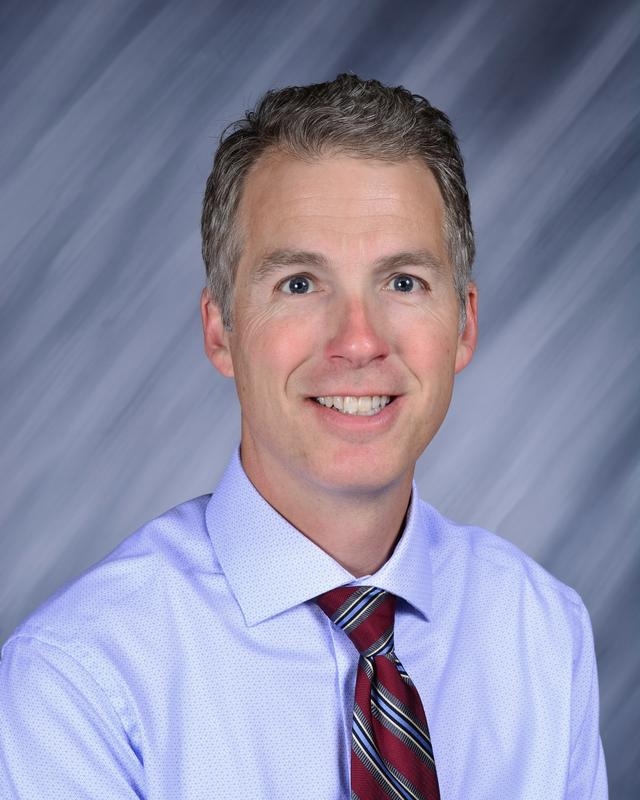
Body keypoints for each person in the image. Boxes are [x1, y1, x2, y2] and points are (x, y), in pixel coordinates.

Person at [0, 74, 607, 799]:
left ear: (464, 324)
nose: (358, 340)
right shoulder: (79, 682)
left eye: (403, 282)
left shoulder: (542, 631)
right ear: (221, 331)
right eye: (298, 283)